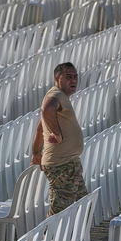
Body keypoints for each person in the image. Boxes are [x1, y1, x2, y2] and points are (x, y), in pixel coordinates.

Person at [31, 62, 86, 215]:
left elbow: (40, 128)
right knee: (59, 212)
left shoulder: (61, 96)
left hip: (70, 163)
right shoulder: (56, 95)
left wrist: (36, 152)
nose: (73, 80)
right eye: (68, 77)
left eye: (75, 76)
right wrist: (57, 134)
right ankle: (48, 238)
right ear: (57, 79)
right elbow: (47, 109)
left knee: (83, 206)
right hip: (61, 165)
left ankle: (74, 238)